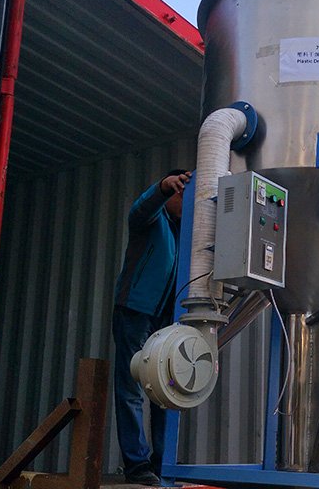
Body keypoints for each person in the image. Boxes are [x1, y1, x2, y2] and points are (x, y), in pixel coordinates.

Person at [112, 169, 191, 486]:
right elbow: (140, 208)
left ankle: (162, 464)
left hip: (166, 319)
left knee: (165, 390)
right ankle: (137, 464)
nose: (186, 200)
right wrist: (161, 188)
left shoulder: (185, 230)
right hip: (135, 311)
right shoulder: (150, 220)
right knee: (131, 389)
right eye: (181, 193)